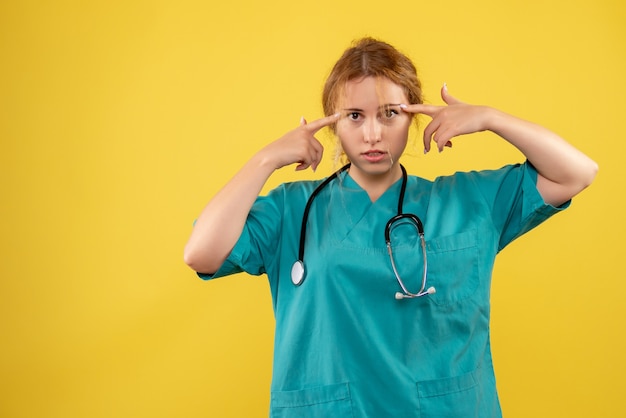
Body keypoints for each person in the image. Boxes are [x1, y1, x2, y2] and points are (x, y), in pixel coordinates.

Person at [184, 38, 597, 417]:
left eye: (390, 114)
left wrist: (491, 118)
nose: (372, 134)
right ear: (333, 124)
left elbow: (576, 173)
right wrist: (265, 160)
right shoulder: (296, 209)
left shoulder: (468, 201)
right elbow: (200, 252)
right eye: (354, 116)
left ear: (415, 116)